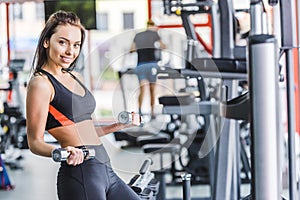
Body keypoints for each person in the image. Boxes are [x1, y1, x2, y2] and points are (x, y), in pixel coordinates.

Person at [26, 10, 142, 200]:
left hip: (105, 169)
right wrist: (61, 151)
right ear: (46, 41)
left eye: (76, 45)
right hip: (81, 173)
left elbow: (84, 130)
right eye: (62, 42)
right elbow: (34, 142)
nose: (70, 51)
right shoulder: (41, 84)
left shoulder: (74, 77)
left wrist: (118, 125)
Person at [130, 19, 166, 118]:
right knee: (152, 89)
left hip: (141, 64)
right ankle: (152, 112)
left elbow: (131, 50)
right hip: (151, 64)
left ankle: (140, 111)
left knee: (142, 89)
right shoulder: (154, 34)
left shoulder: (137, 35)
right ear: (153, 26)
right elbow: (163, 46)